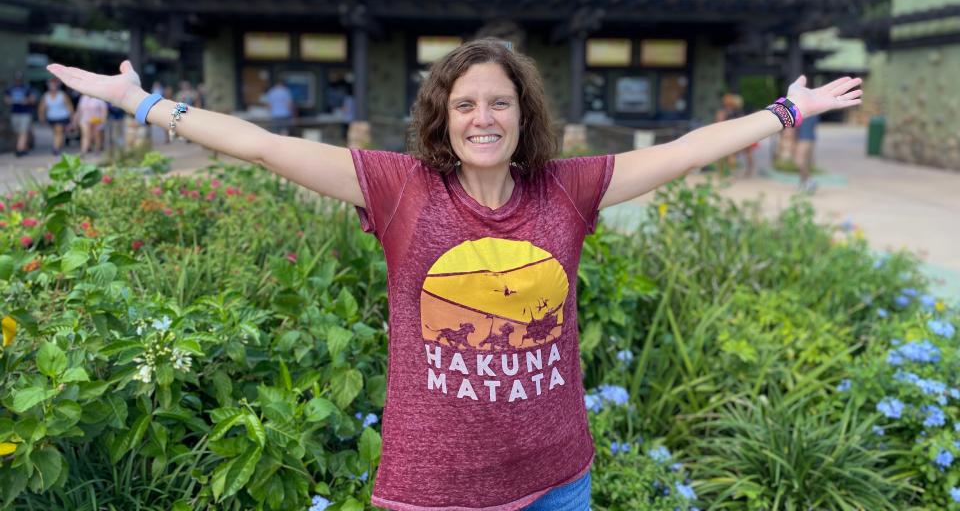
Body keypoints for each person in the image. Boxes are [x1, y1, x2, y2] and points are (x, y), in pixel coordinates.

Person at [45, 41, 862, 511]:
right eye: (465, 104)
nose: (483, 118)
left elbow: (683, 152)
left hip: (557, 479)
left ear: (522, 115)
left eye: (499, 103)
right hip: (432, 485)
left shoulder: (567, 190)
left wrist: (788, 113)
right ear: (442, 116)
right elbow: (261, 144)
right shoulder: (400, 189)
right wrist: (143, 104)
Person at [37, 77, 74, 155]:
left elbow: (69, 107)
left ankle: (55, 148)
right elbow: (41, 109)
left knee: (58, 130)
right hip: (51, 118)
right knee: (56, 132)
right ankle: (58, 144)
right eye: (51, 84)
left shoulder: (63, 95)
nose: (52, 86)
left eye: (54, 84)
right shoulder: (45, 96)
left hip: (62, 117)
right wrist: (41, 118)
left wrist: (72, 119)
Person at [4, 70, 37, 157]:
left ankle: (19, 150)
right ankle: (24, 148)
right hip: (15, 112)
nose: (18, 80)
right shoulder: (10, 88)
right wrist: (11, 101)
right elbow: (6, 100)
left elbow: (33, 99)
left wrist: (27, 101)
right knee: (17, 133)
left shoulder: (27, 88)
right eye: (16, 79)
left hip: (25, 113)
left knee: (23, 132)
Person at [794, 111, 820, 193]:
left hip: (805, 139)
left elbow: (796, 127)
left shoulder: (805, 112)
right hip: (808, 138)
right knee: (805, 162)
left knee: (799, 161)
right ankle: (804, 182)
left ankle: (809, 180)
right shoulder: (812, 112)